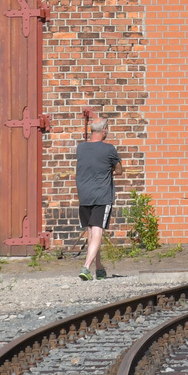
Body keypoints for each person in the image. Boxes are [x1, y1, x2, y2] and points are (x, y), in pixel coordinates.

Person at [76, 116, 121, 280]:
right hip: (101, 195)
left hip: (84, 194)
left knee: (92, 232)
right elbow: (119, 170)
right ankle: (86, 267)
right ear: (104, 130)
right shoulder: (109, 150)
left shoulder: (80, 148)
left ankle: (99, 268)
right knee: (97, 231)